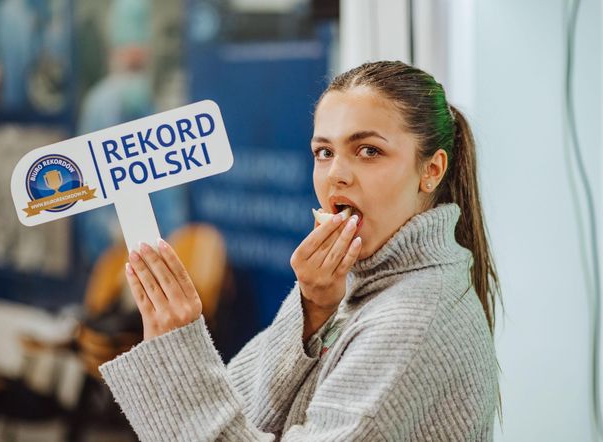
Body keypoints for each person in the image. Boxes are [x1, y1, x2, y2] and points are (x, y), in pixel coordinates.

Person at [99, 60, 502, 441]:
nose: (336, 176)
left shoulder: (410, 321)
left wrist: (178, 355)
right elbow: (246, 415)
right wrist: (312, 307)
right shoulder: (351, 289)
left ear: (431, 170)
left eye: (369, 151)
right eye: (324, 153)